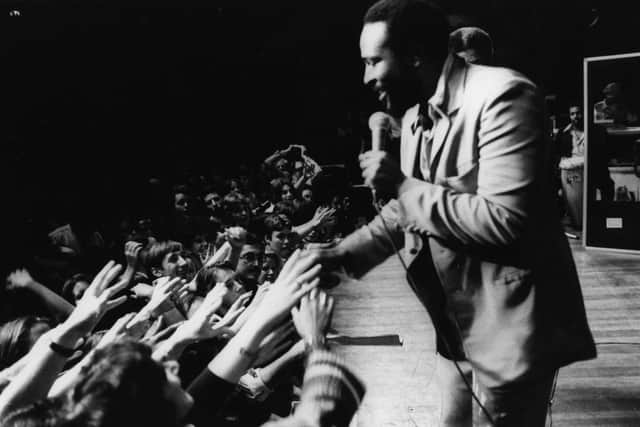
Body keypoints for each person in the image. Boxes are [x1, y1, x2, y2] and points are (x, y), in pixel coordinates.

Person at [313, 1, 596, 425]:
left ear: (414, 56)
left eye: (374, 61)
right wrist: (342, 255)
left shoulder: (504, 95)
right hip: (454, 325)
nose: (366, 77)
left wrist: (403, 185)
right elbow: (405, 211)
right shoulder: (412, 115)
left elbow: (506, 221)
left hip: (507, 324)